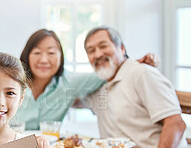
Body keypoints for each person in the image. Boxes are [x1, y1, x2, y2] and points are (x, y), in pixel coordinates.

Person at [13, 29, 157, 130]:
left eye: (51, 53)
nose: (44, 60)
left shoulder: (70, 82)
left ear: (60, 57)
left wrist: (137, 61)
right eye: (37, 53)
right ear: (27, 56)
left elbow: (107, 70)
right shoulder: (12, 82)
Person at [83, 26, 187, 148]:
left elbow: (176, 123)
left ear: (121, 48)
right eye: (91, 50)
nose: (98, 54)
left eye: (103, 46)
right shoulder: (100, 85)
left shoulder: (142, 73)